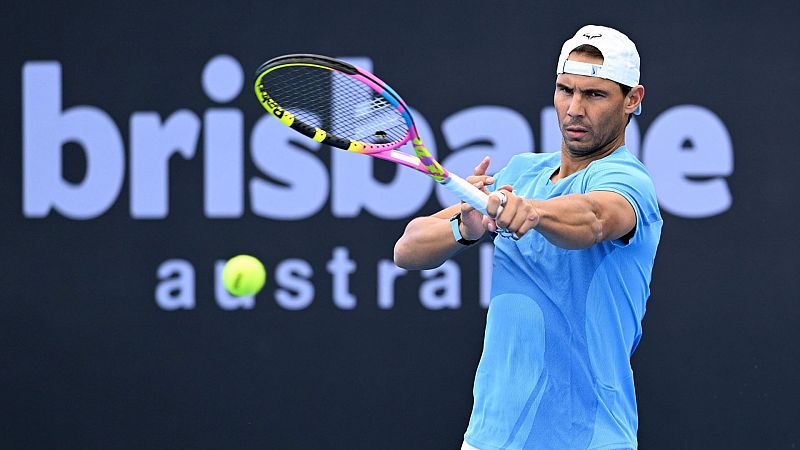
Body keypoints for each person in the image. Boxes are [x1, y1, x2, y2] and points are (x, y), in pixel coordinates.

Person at [394, 25, 662, 449]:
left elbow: (594, 218)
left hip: (589, 440)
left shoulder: (629, 181)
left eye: (594, 95)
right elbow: (406, 250)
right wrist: (466, 225)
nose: (574, 109)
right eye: (564, 90)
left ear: (633, 99)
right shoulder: (521, 173)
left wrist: (533, 212)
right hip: (490, 439)